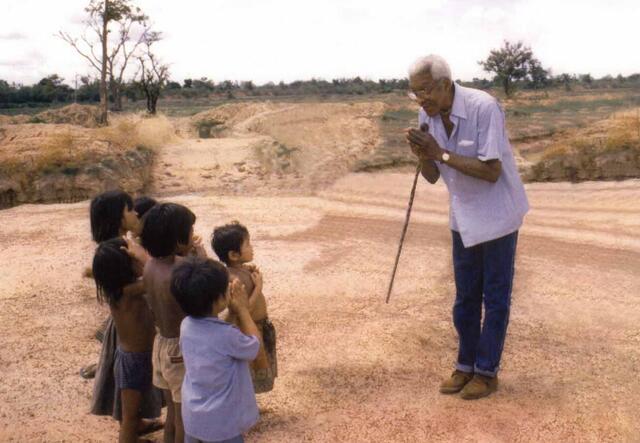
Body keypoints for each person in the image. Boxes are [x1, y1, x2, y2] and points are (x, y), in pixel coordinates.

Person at [405, 55, 529, 399]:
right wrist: (421, 153)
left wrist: (440, 153)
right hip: (463, 216)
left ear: (446, 84)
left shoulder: (483, 107)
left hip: (498, 213)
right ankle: (465, 365)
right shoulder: (426, 115)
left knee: (496, 296)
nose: (421, 100)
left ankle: (487, 372)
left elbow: (491, 171)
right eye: (415, 93)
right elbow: (431, 177)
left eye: (426, 91)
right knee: (465, 298)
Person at [87, 191, 163, 436]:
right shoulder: (119, 251)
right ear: (118, 218)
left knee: (135, 405)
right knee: (130, 413)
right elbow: (149, 281)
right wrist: (148, 261)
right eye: (129, 210)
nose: (136, 213)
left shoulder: (112, 249)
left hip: (133, 348)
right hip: (134, 352)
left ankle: (136, 426)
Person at [171, 257, 261, 443]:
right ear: (218, 300)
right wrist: (243, 310)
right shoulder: (227, 336)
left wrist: (231, 314)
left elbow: (213, 338)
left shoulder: (186, 325)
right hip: (222, 424)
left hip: (194, 417)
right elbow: (254, 347)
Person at [92, 238, 158, 443]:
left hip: (134, 358)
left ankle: (134, 434)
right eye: (132, 260)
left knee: (133, 410)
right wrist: (142, 256)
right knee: (129, 417)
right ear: (125, 268)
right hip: (134, 361)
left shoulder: (116, 290)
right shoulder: (129, 292)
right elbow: (157, 277)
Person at [141, 202, 197, 443]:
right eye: (190, 230)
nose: (193, 235)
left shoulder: (149, 266)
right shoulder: (181, 269)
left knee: (173, 413)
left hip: (162, 345)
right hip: (180, 350)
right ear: (177, 240)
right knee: (185, 415)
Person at [212, 221, 277, 393]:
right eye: (247, 244)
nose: (252, 247)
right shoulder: (234, 280)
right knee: (248, 369)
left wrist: (245, 269)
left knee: (255, 367)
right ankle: (246, 404)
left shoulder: (238, 271)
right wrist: (258, 287)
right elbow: (243, 309)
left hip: (259, 325)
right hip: (249, 328)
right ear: (234, 254)